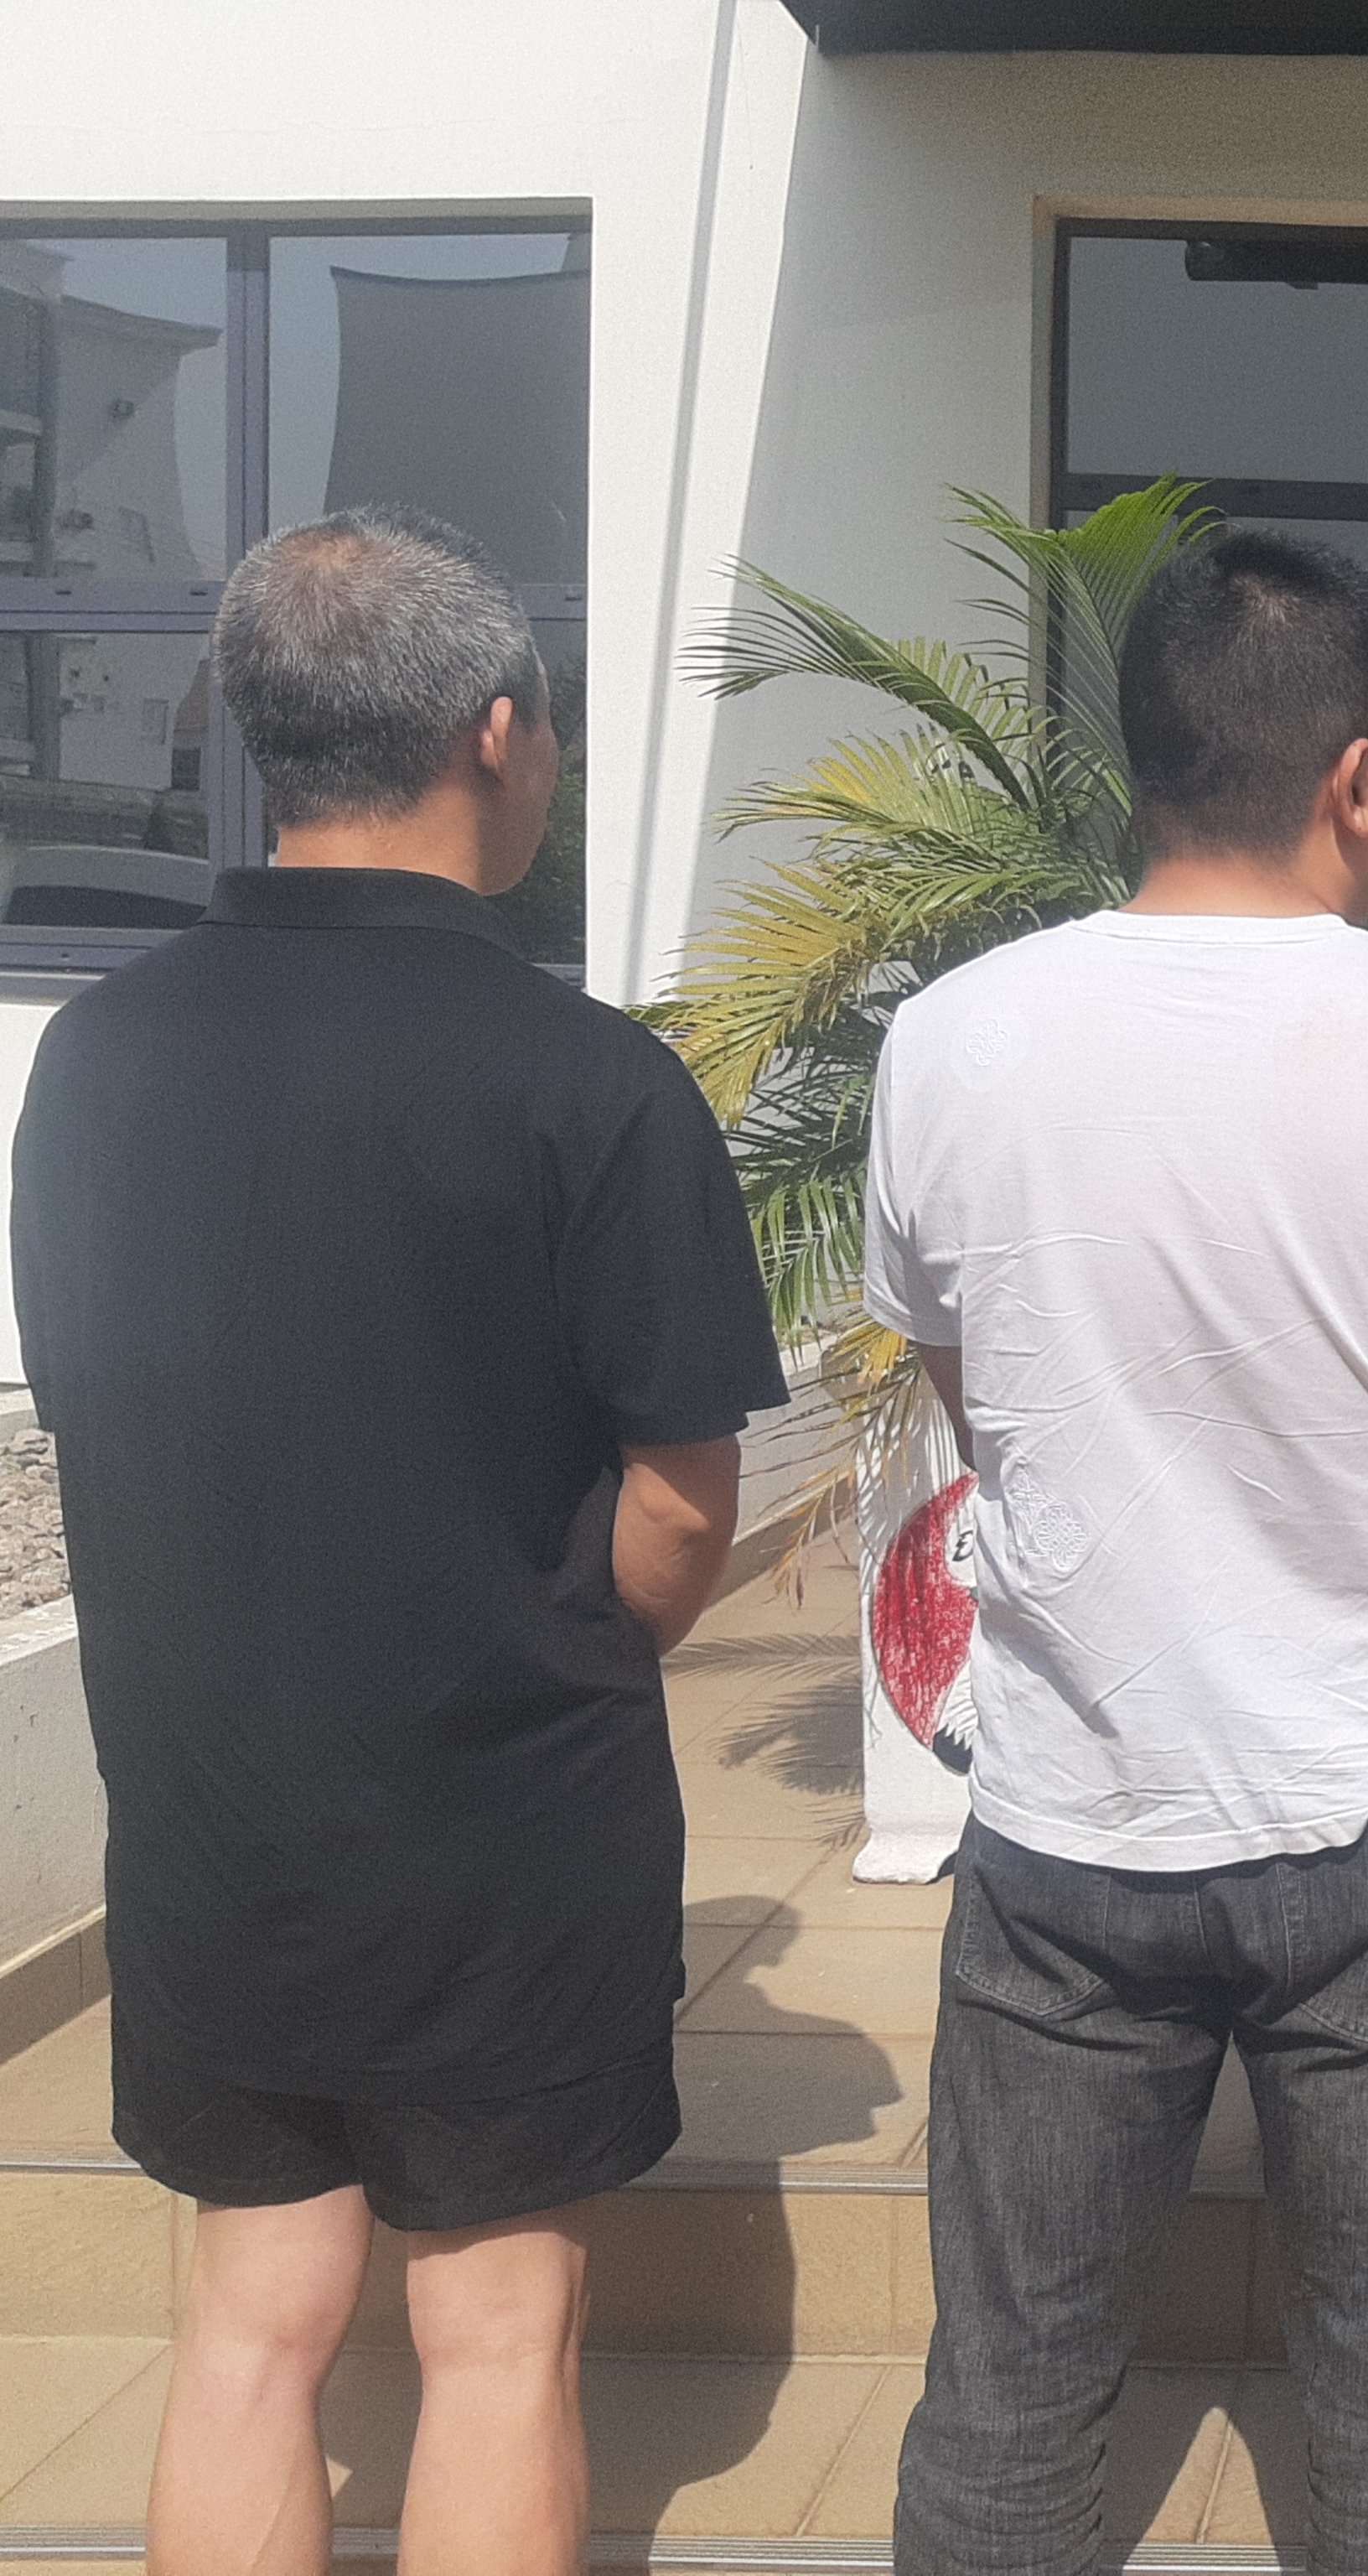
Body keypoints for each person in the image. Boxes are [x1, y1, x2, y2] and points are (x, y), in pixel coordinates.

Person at [9, 506, 788, 2576]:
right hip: (503, 1817)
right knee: (498, 2333)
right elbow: (679, 1502)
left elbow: (97, 1417)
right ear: (497, 733)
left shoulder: (91, 1060)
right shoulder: (591, 1081)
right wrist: (551, 1652)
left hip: (209, 1811)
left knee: (252, 2321)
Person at [873, 532, 1368, 2576]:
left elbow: (979, 1400)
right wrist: (1355, 1591)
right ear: (1361, 776)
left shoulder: (950, 1041)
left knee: (1006, 2401)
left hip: (1066, 1819)